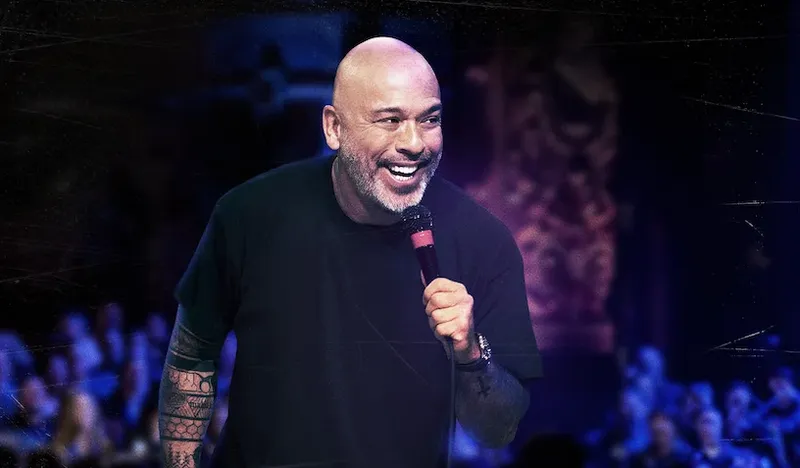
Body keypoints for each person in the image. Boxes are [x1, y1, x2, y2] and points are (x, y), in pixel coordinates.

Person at [158, 36, 542, 468]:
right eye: (390, 120)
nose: (415, 143)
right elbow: (191, 355)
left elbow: (498, 430)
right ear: (334, 128)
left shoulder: (483, 240)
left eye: (429, 119)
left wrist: (470, 354)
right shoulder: (250, 215)